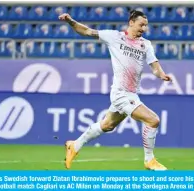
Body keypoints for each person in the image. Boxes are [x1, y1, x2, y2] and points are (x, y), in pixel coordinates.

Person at [59, 10, 172, 170]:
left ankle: (75, 145)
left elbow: (154, 67)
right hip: (120, 93)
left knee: (107, 125)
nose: (143, 29)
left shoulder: (145, 44)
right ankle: (149, 160)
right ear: (131, 22)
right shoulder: (114, 37)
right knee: (153, 120)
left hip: (131, 94)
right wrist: (70, 21)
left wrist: (162, 75)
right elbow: (86, 31)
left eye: (146, 26)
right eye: (141, 25)